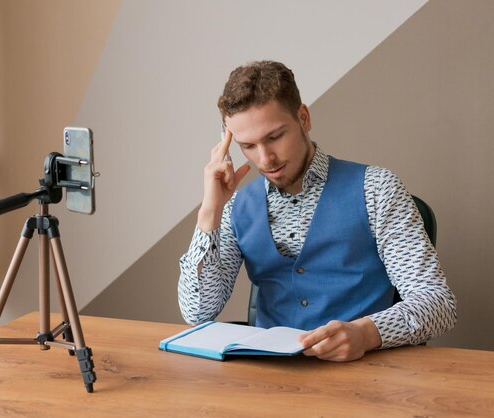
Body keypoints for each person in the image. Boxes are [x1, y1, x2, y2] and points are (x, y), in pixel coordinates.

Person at [178, 60, 456, 362]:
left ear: (303, 117)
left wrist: (366, 334)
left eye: (274, 137)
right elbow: (198, 311)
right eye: (248, 146)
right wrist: (210, 212)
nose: (265, 158)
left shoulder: (377, 188)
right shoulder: (235, 207)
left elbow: (437, 304)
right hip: (269, 379)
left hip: (363, 373)